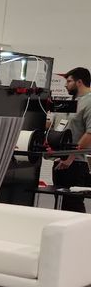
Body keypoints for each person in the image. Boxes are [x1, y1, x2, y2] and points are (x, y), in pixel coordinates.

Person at [52, 67, 91, 212]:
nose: (65, 85)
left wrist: (70, 157)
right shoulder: (70, 102)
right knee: (60, 204)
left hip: (75, 164)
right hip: (59, 161)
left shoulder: (89, 102)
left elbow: (90, 133)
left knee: (73, 205)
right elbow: (57, 126)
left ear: (79, 82)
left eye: (69, 81)